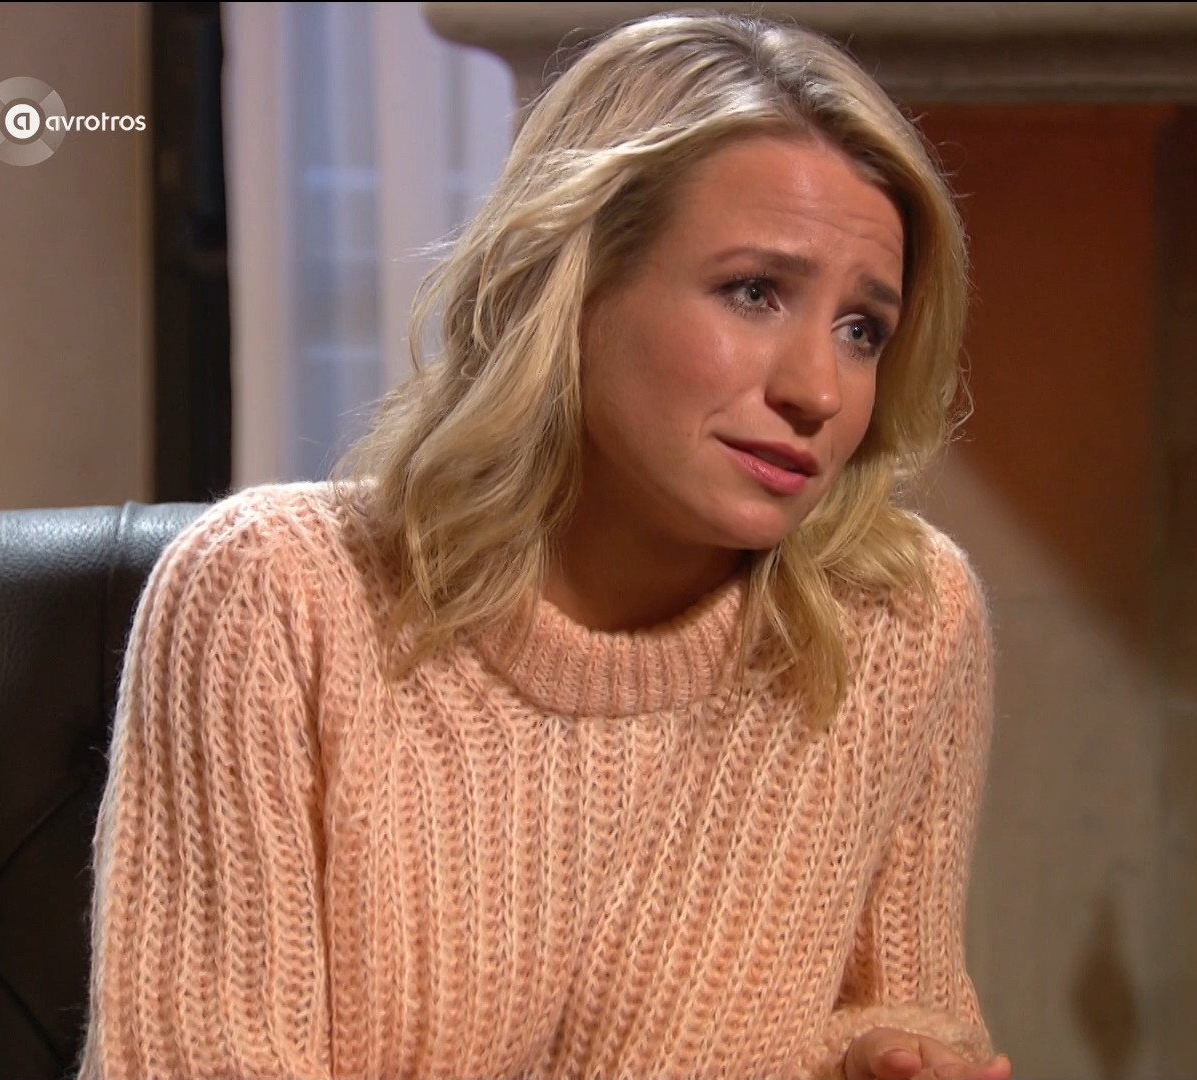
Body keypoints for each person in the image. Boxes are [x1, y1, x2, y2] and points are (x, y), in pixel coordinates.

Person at [76, 10, 1009, 1080]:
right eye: (754, 293)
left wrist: (876, 1059)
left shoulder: (903, 619)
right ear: (574, 281)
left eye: (862, 330)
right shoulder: (272, 595)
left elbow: (905, 1009)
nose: (819, 391)